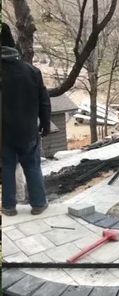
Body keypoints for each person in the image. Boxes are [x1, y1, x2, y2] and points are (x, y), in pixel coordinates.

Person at [1, 23, 51, 216]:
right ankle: (38, 204)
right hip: (28, 130)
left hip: (4, 132)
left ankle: (8, 206)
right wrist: (45, 125)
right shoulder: (32, 72)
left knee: (7, 167)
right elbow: (44, 102)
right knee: (32, 166)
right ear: (14, 49)